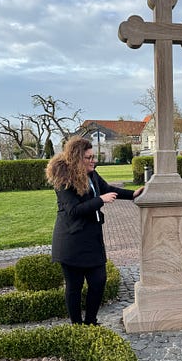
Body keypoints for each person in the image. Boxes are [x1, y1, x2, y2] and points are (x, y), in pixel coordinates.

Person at [46, 136, 144, 325]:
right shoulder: (63, 180)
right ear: (76, 159)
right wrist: (100, 200)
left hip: (92, 239)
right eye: (88, 158)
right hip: (71, 241)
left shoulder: (92, 175)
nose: (93, 161)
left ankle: (91, 321)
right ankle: (77, 325)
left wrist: (132, 194)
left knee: (98, 281)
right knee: (74, 287)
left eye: (93, 157)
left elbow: (106, 188)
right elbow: (73, 210)